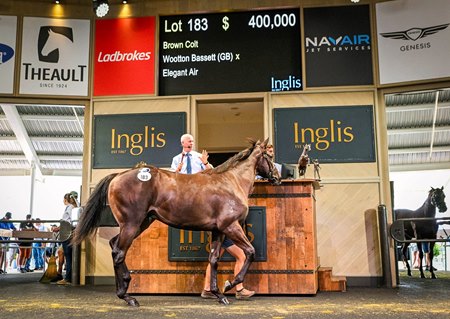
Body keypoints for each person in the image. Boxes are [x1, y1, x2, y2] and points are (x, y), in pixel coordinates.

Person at [170, 133, 255, 300]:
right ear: (182, 143)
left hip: (204, 199)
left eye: (193, 141)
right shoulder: (175, 159)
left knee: (218, 254)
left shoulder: (198, 157)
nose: (191, 143)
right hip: (191, 202)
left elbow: (213, 174)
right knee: (238, 254)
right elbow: (173, 181)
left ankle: (212, 288)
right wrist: (177, 171)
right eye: (189, 141)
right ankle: (236, 288)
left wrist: (205, 162)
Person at [54, 192, 78, 285]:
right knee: (65, 254)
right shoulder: (76, 207)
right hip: (71, 233)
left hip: (67, 234)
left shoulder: (69, 208)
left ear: (65, 199)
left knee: (68, 256)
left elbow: (67, 222)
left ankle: (68, 278)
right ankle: (62, 274)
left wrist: (58, 228)